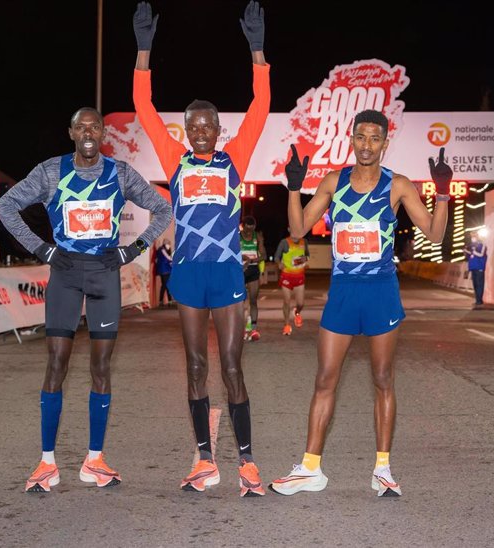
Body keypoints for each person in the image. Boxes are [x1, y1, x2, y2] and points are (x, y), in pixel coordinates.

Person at [270, 110, 452, 497]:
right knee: (324, 378)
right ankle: (310, 469)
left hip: (381, 290)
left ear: (385, 143)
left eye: (374, 138)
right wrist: (293, 187)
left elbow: (435, 236)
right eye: (360, 137)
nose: (366, 145)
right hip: (344, 291)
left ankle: (382, 469)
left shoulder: (398, 185)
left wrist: (442, 191)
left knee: (383, 378)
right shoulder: (334, 182)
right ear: (351, 140)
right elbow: (299, 229)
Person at [132, 0, 269, 497]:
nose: (203, 131)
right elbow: (144, 110)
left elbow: (261, 108)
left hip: (228, 273)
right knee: (194, 366)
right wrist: (144, 52)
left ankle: (248, 463)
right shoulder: (174, 160)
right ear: (186, 132)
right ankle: (205, 460)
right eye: (194, 126)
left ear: (219, 129)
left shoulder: (236, 158)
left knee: (232, 366)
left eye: (209, 124)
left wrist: (257, 51)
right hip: (189, 274)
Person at [0, 107, 172, 493]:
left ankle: (94, 459)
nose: (88, 132)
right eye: (81, 127)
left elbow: (163, 207)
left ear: (103, 133)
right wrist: (41, 250)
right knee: (56, 363)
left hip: (105, 274)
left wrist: (133, 249)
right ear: (71, 133)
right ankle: (46, 463)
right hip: (65, 273)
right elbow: (5, 206)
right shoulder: (50, 172)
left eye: (95, 126)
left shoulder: (121, 173)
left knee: (101, 367)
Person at [275, 230, 310, 335]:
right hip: (286, 275)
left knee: (301, 303)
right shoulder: (284, 242)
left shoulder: (304, 242)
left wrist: (306, 259)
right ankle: (286, 325)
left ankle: (297, 312)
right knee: (287, 301)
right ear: (289, 229)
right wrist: (279, 264)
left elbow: (307, 255)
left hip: (299, 276)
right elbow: (277, 256)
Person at [240, 215, 267, 341]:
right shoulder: (237, 236)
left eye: (251, 229)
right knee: (238, 302)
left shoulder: (258, 237)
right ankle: (238, 327)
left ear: (254, 227)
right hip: (239, 270)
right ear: (242, 226)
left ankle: (254, 329)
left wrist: (250, 260)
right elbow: (230, 253)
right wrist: (242, 258)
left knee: (253, 300)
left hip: (252, 270)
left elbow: (263, 255)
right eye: (247, 229)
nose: (249, 232)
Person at [463, 231, 487, 307]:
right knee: (475, 285)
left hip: (479, 268)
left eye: (474, 236)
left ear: (477, 237)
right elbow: (470, 256)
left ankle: (479, 301)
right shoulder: (471, 245)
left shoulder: (482, 245)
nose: (472, 238)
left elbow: (481, 255)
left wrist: (473, 251)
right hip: (473, 268)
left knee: (480, 284)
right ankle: (477, 300)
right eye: (471, 236)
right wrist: (466, 251)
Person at [155, 238, 174, 306]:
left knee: (164, 285)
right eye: (168, 244)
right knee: (166, 285)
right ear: (166, 244)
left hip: (165, 270)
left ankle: (162, 300)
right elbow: (168, 258)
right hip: (165, 270)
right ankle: (168, 300)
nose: (169, 246)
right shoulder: (162, 250)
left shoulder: (163, 249)